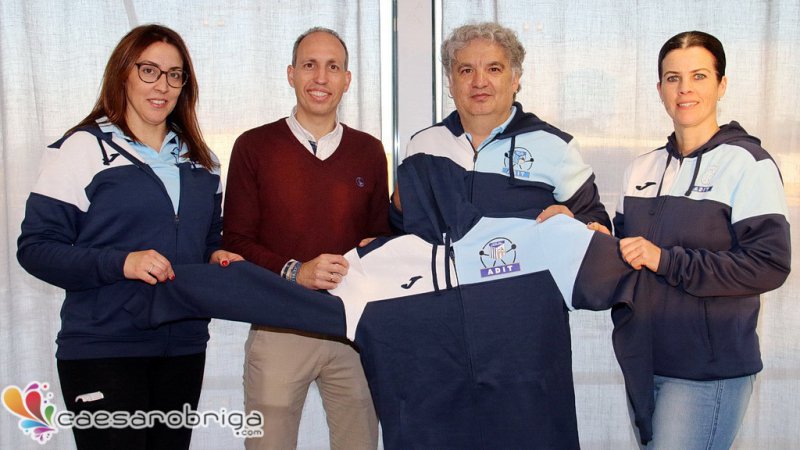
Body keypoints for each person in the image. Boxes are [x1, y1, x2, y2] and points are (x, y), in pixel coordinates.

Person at [16, 24, 242, 450]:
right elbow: (36, 249)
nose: (163, 86)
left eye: (175, 75)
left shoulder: (203, 162)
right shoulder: (82, 149)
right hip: (103, 349)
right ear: (123, 74)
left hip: (183, 347)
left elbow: (208, 241)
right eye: (149, 70)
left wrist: (218, 258)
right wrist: (123, 262)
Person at [609, 31, 791, 449]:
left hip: (707, 372)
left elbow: (769, 264)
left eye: (699, 76)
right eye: (673, 78)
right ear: (659, 88)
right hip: (644, 362)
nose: (684, 89)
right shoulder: (640, 169)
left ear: (721, 85)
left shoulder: (748, 164)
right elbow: (626, 259)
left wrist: (666, 260)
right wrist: (592, 238)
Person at [222, 27, 388, 450]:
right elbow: (235, 240)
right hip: (279, 326)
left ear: (347, 80)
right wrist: (296, 271)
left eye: (333, 67)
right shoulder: (254, 146)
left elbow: (380, 238)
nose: (321, 77)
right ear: (291, 74)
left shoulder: (370, 151)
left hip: (352, 332)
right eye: (310, 65)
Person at [392, 21, 610, 229]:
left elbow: (598, 224)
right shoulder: (422, 146)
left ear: (515, 79)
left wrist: (572, 222)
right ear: (450, 82)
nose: (479, 82)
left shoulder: (556, 147)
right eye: (466, 70)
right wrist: (398, 209)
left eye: (494, 69)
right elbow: (401, 232)